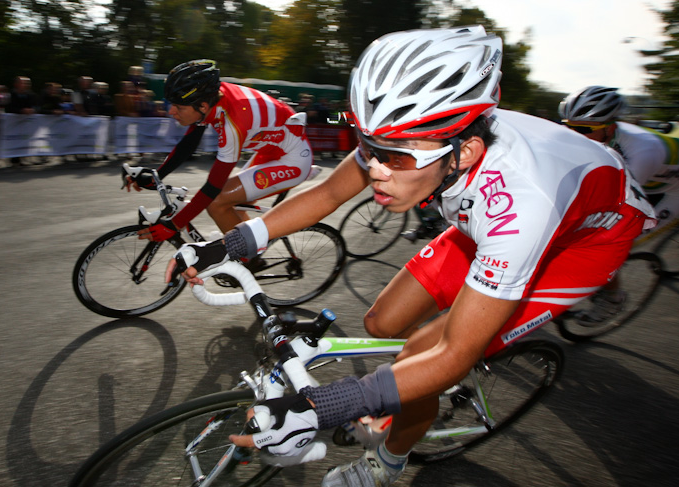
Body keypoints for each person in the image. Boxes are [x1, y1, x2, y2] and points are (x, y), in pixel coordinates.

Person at [164, 27, 655, 487]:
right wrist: (226, 244)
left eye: (395, 158)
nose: (375, 170)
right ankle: (402, 403)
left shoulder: (519, 206)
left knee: (426, 354)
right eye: (368, 147)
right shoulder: (415, 135)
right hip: (483, 214)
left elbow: (452, 355)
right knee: (383, 322)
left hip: (584, 242)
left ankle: (386, 463)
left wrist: (322, 406)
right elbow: (330, 192)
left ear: (463, 152)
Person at [127, 59, 314, 242]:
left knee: (217, 203)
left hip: (293, 159)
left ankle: (248, 259)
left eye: (178, 107)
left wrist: (175, 225)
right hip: (270, 150)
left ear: (203, 107)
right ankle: (253, 250)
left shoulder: (232, 123)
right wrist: (156, 176)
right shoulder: (208, 96)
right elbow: (189, 144)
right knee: (235, 205)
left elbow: (213, 187)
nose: (171, 112)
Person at [559, 86, 679, 324]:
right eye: (567, 126)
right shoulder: (598, 136)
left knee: (609, 244)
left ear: (610, 128)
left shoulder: (644, 152)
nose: (573, 134)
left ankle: (613, 299)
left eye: (583, 129)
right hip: (652, 180)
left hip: (672, 190)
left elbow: (613, 203)